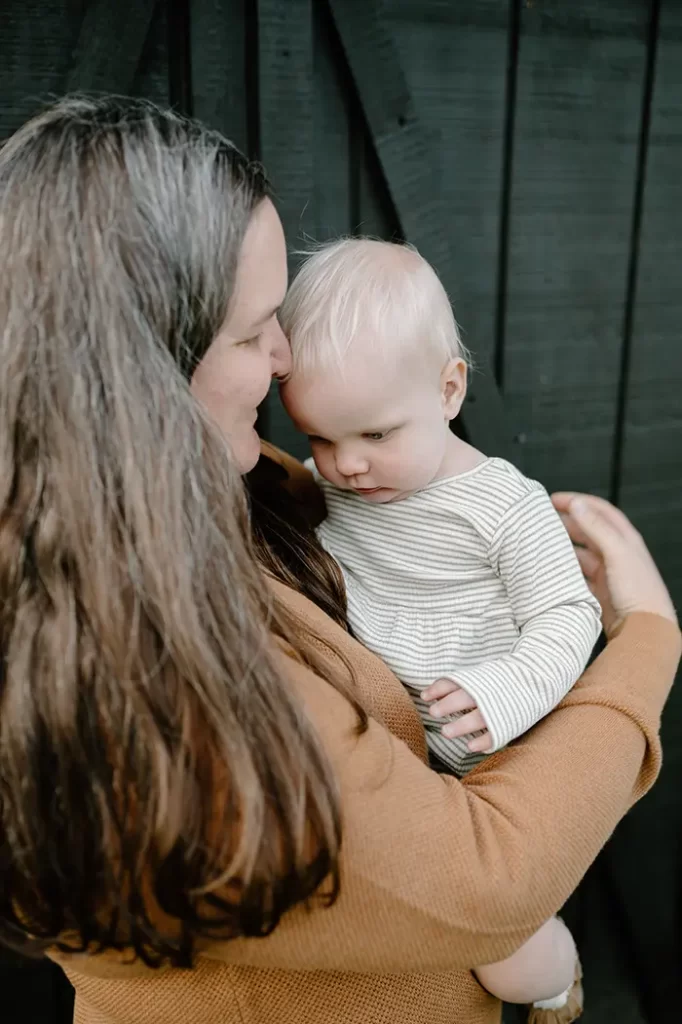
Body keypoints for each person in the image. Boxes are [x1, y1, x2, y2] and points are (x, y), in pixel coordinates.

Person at [0, 96, 678, 1024]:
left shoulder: (161, 502)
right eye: (253, 331)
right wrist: (647, 641)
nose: (285, 358)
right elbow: (485, 876)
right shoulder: (159, 657)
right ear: (138, 365)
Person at [278, 236, 604, 1020]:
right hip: (386, 765)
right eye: (320, 437)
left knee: (510, 964)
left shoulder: (502, 507)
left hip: (485, 754)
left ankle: (558, 973)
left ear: (449, 390)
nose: (346, 465)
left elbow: (571, 612)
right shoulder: (333, 487)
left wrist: (503, 690)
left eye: (376, 436)